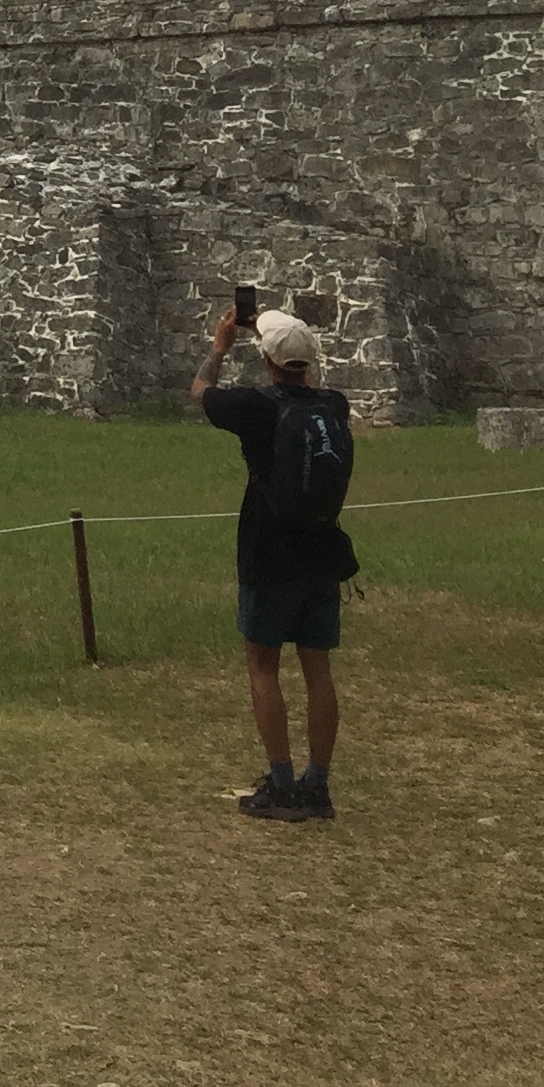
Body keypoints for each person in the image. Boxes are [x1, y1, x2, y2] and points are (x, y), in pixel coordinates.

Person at [191, 304, 358, 821]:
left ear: (266, 360)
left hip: (269, 550)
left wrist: (220, 347)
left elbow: (201, 393)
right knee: (318, 670)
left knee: (263, 665)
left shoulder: (256, 407)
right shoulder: (334, 404)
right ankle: (318, 785)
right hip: (322, 549)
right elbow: (308, 388)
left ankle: (282, 781)